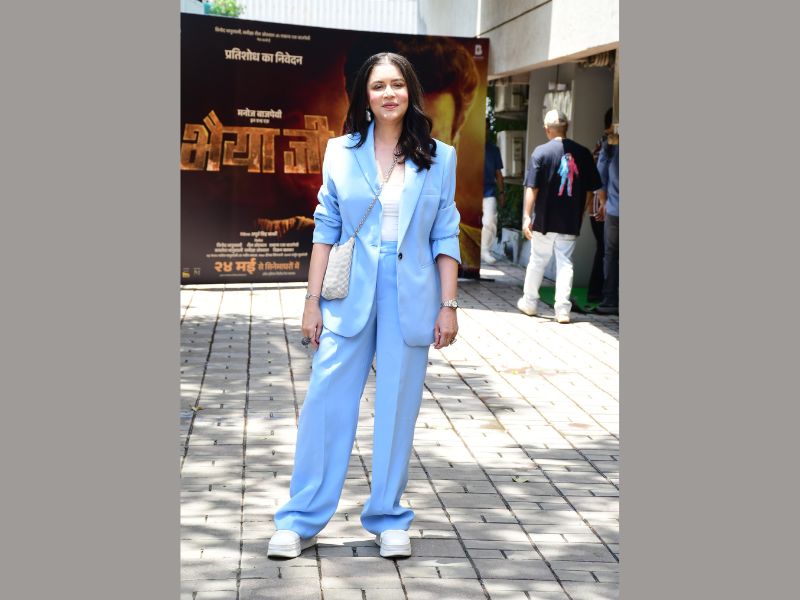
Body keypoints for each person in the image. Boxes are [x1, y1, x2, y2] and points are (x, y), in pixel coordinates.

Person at [267, 52, 462, 560]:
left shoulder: (440, 157)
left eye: (397, 84)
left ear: (410, 91)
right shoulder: (340, 151)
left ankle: (388, 517)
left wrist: (448, 304)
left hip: (411, 293)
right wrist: (311, 302)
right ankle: (300, 519)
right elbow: (326, 229)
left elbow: (445, 232)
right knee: (325, 402)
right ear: (365, 96)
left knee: (398, 407)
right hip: (349, 291)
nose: (388, 94)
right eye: (378, 86)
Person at [517, 109, 602, 323]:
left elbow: (532, 188)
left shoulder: (540, 153)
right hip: (570, 220)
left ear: (547, 129)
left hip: (544, 220)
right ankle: (562, 310)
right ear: (567, 127)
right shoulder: (583, 153)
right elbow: (591, 189)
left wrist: (527, 216)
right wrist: (582, 211)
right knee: (565, 263)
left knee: (538, 260)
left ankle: (529, 302)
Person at [587, 108, 613, 303]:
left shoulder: (600, 144)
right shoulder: (606, 144)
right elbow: (599, 177)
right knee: (605, 250)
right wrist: (604, 203)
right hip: (603, 207)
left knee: (603, 249)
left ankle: (597, 292)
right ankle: (599, 292)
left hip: (598, 206)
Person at [595, 120, 620, 315]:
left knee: (611, 255)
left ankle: (610, 299)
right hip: (613, 208)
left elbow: (600, 177)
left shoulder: (610, 145)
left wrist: (603, 203)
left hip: (614, 210)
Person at [481, 122, 505, 264]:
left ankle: (485, 251)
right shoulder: (468, 144)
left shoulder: (493, 149)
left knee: (489, 221)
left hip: (489, 191)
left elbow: (498, 173)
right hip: (469, 190)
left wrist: (501, 192)